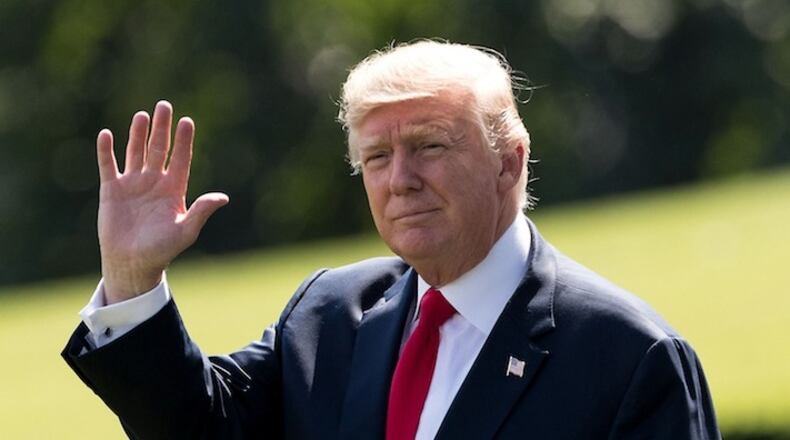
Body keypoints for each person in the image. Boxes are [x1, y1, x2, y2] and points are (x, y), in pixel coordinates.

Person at [63, 40, 721, 439]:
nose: (400, 179)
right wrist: (133, 277)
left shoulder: (629, 357)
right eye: (377, 157)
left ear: (509, 162)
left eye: (429, 146)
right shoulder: (329, 315)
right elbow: (196, 429)